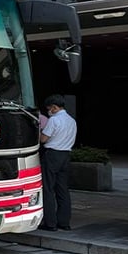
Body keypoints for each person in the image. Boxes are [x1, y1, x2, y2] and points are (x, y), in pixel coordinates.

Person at [39, 94, 77, 231]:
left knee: (48, 189)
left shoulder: (54, 120)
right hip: (66, 155)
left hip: (52, 155)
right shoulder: (72, 121)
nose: (48, 111)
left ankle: (50, 223)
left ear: (54, 107)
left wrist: (39, 132)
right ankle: (64, 222)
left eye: (49, 108)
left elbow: (43, 139)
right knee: (62, 190)